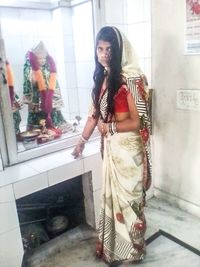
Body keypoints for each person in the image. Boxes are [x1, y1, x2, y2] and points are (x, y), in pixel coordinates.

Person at [72, 26, 152, 265]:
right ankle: (116, 248)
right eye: (100, 48)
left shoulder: (131, 78)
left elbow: (137, 121)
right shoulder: (101, 79)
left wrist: (110, 128)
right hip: (111, 151)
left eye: (109, 49)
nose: (104, 53)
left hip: (129, 153)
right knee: (113, 201)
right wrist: (81, 143)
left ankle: (135, 250)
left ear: (118, 50)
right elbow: (93, 115)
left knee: (131, 202)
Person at [23, 41, 72, 133]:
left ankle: (54, 124)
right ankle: (39, 128)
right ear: (34, 58)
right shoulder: (29, 66)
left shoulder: (48, 65)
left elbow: (53, 79)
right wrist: (34, 75)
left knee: (53, 110)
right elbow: (29, 78)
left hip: (50, 94)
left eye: (44, 58)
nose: (42, 60)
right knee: (38, 112)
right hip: (37, 96)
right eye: (39, 58)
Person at [0, 58, 23, 139]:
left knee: (16, 118)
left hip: (9, 93)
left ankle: (16, 133)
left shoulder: (4, 63)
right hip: (4, 98)